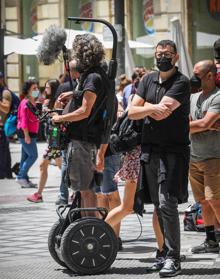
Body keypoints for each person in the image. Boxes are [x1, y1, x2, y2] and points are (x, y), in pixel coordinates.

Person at [129, 40, 190, 277]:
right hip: (150, 150)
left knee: (167, 204)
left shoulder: (182, 82)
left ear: (175, 57)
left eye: (166, 54)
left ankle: (174, 258)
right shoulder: (147, 79)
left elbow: (164, 114)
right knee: (157, 206)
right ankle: (164, 253)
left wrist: (145, 106)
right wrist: (149, 108)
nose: (162, 57)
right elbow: (131, 111)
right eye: (158, 53)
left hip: (173, 151)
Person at [52, 34, 111, 213]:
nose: (74, 57)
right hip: (83, 140)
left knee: (86, 190)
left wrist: (60, 118)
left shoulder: (93, 77)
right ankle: (86, 225)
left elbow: (85, 111)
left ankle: (88, 228)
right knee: (83, 190)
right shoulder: (93, 75)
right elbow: (90, 99)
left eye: (76, 53)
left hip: (84, 141)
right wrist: (74, 94)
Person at [189, 60, 220, 253]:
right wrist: (203, 125)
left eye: (197, 74)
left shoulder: (217, 97)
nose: (193, 78)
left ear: (210, 75)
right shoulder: (193, 97)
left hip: (213, 158)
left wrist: (202, 124)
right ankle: (211, 240)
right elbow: (197, 123)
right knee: (203, 201)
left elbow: (202, 124)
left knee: (215, 200)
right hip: (194, 157)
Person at [27, 79, 61, 202]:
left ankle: (39, 194)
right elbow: (37, 100)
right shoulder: (46, 100)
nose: (45, 90)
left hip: (55, 137)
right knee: (62, 166)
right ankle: (74, 190)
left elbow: (58, 117)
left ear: (53, 88)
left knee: (43, 165)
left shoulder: (58, 101)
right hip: (51, 138)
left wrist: (50, 113)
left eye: (47, 87)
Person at [54, 59, 80, 205]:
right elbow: (57, 106)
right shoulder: (68, 86)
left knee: (67, 163)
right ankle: (67, 195)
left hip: (70, 129)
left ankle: (66, 195)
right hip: (71, 130)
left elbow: (56, 107)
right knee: (68, 163)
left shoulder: (69, 86)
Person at [16, 79, 40, 188]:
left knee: (25, 157)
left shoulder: (32, 102)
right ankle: (20, 177)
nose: (37, 90)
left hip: (31, 133)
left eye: (37, 88)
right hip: (26, 133)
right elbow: (24, 120)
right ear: (28, 91)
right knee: (33, 155)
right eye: (34, 89)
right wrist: (26, 135)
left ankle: (25, 180)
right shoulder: (25, 103)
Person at [0, 71, 13, 179]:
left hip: (3, 126)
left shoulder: (5, 93)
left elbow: (6, 108)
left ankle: (4, 173)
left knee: (3, 151)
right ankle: (6, 173)